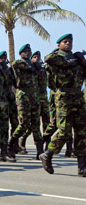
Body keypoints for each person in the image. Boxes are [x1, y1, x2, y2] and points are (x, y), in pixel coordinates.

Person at [40, 33, 86, 177]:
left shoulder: (77, 59)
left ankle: (82, 167)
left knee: (82, 133)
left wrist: (82, 61)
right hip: (64, 98)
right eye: (65, 42)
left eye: (70, 42)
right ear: (59, 45)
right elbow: (48, 58)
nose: (68, 44)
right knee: (64, 132)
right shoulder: (57, 58)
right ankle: (47, 154)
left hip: (78, 97)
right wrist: (68, 61)